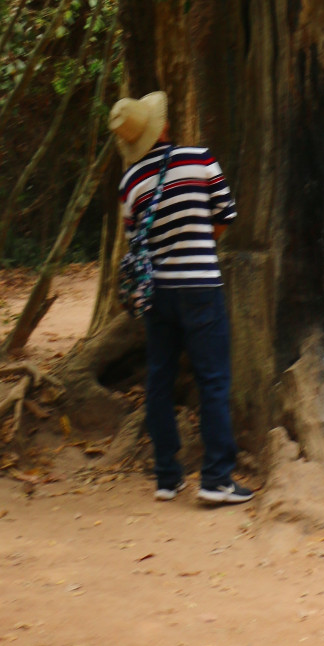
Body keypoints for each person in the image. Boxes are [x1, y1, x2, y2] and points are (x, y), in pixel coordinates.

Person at [110, 90, 253, 509]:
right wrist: (199, 246)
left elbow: (133, 238)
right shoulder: (200, 160)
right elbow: (224, 216)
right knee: (212, 379)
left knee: (159, 380)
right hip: (201, 287)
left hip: (158, 295)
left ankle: (167, 477)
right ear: (164, 126)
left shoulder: (130, 182)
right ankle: (217, 478)